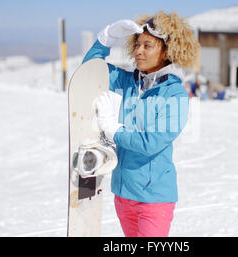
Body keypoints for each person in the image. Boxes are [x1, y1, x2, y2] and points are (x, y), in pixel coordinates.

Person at [83, 11, 199, 237]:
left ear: (167, 51)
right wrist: (105, 38)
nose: (138, 51)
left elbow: (150, 143)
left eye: (148, 45)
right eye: (137, 44)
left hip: (153, 200)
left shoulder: (175, 95)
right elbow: (88, 72)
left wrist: (114, 130)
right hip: (123, 195)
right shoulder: (127, 81)